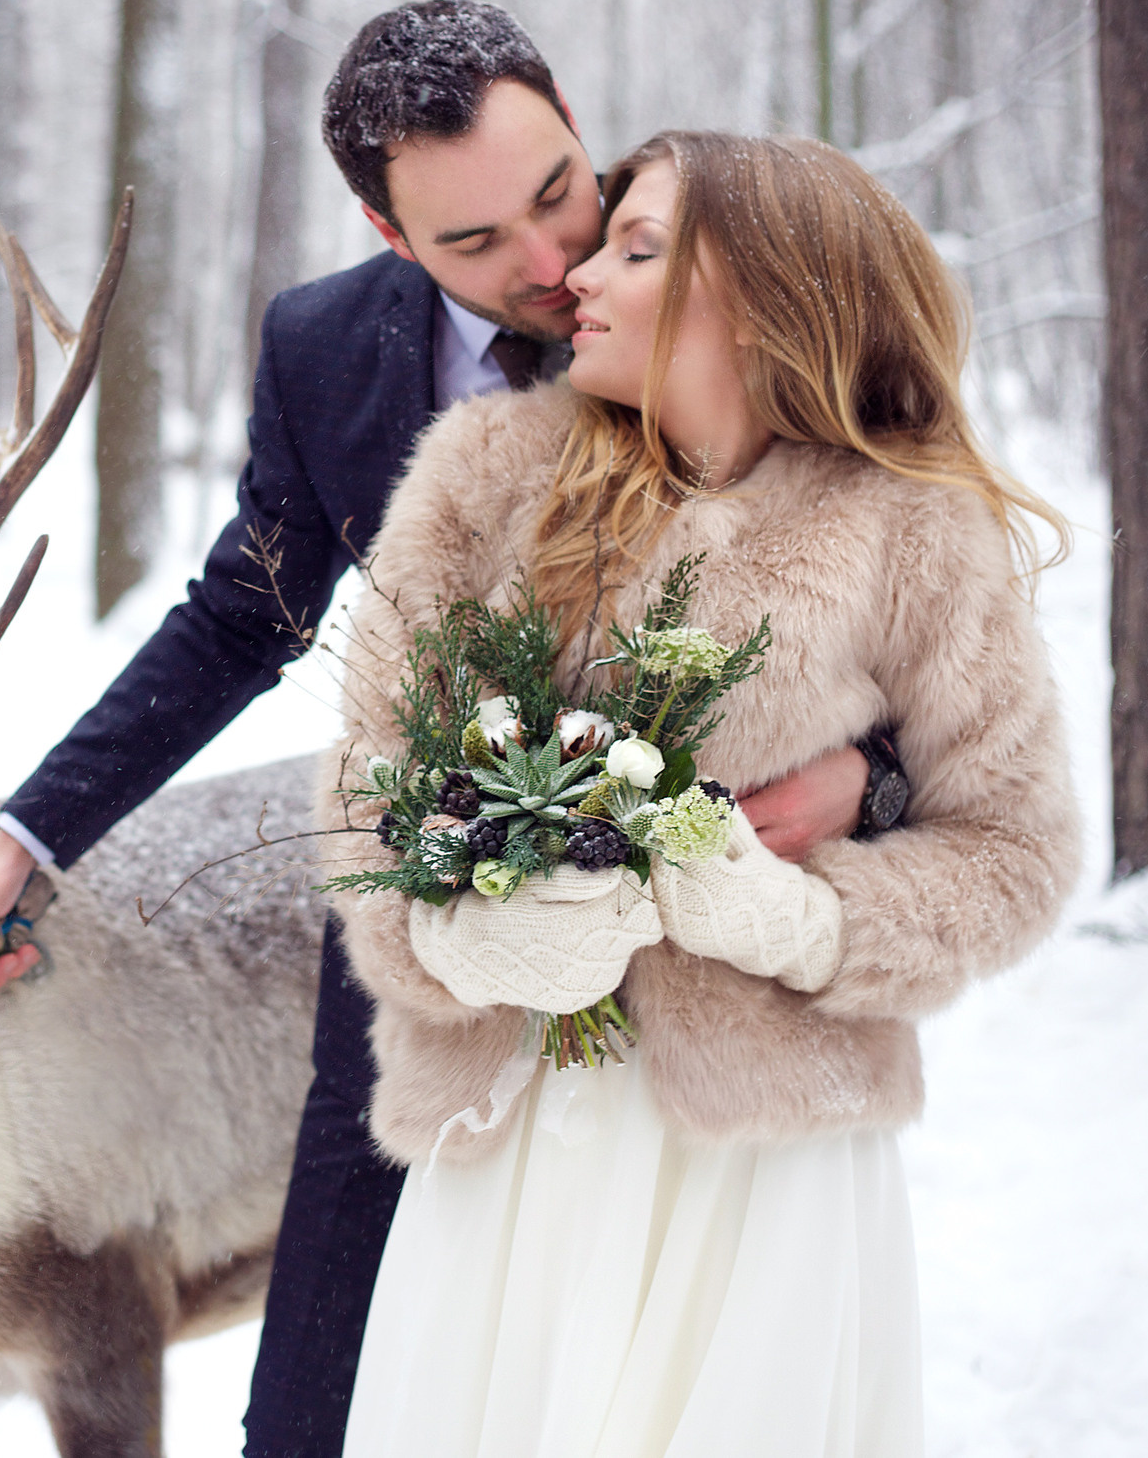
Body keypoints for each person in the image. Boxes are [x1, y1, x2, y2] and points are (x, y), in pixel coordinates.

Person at [0, 0, 897, 1455]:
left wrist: (864, 780)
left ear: (574, 115)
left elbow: (918, 591)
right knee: (317, 1402)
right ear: (390, 239)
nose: (554, 262)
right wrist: (26, 838)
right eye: (478, 244)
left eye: (559, 192)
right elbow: (243, 617)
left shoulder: (733, 269)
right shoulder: (321, 352)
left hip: (711, 956)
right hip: (428, 943)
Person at [324, 131, 1078, 1455]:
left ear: (767, 293)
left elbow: (1016, 851)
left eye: (637, 246)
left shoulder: (912, 528)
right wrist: (452, 930)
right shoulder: (482, 477)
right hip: (509, 1158)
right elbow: (362, 800)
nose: (576, 277)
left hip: (766, 1174)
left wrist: (808, 920)